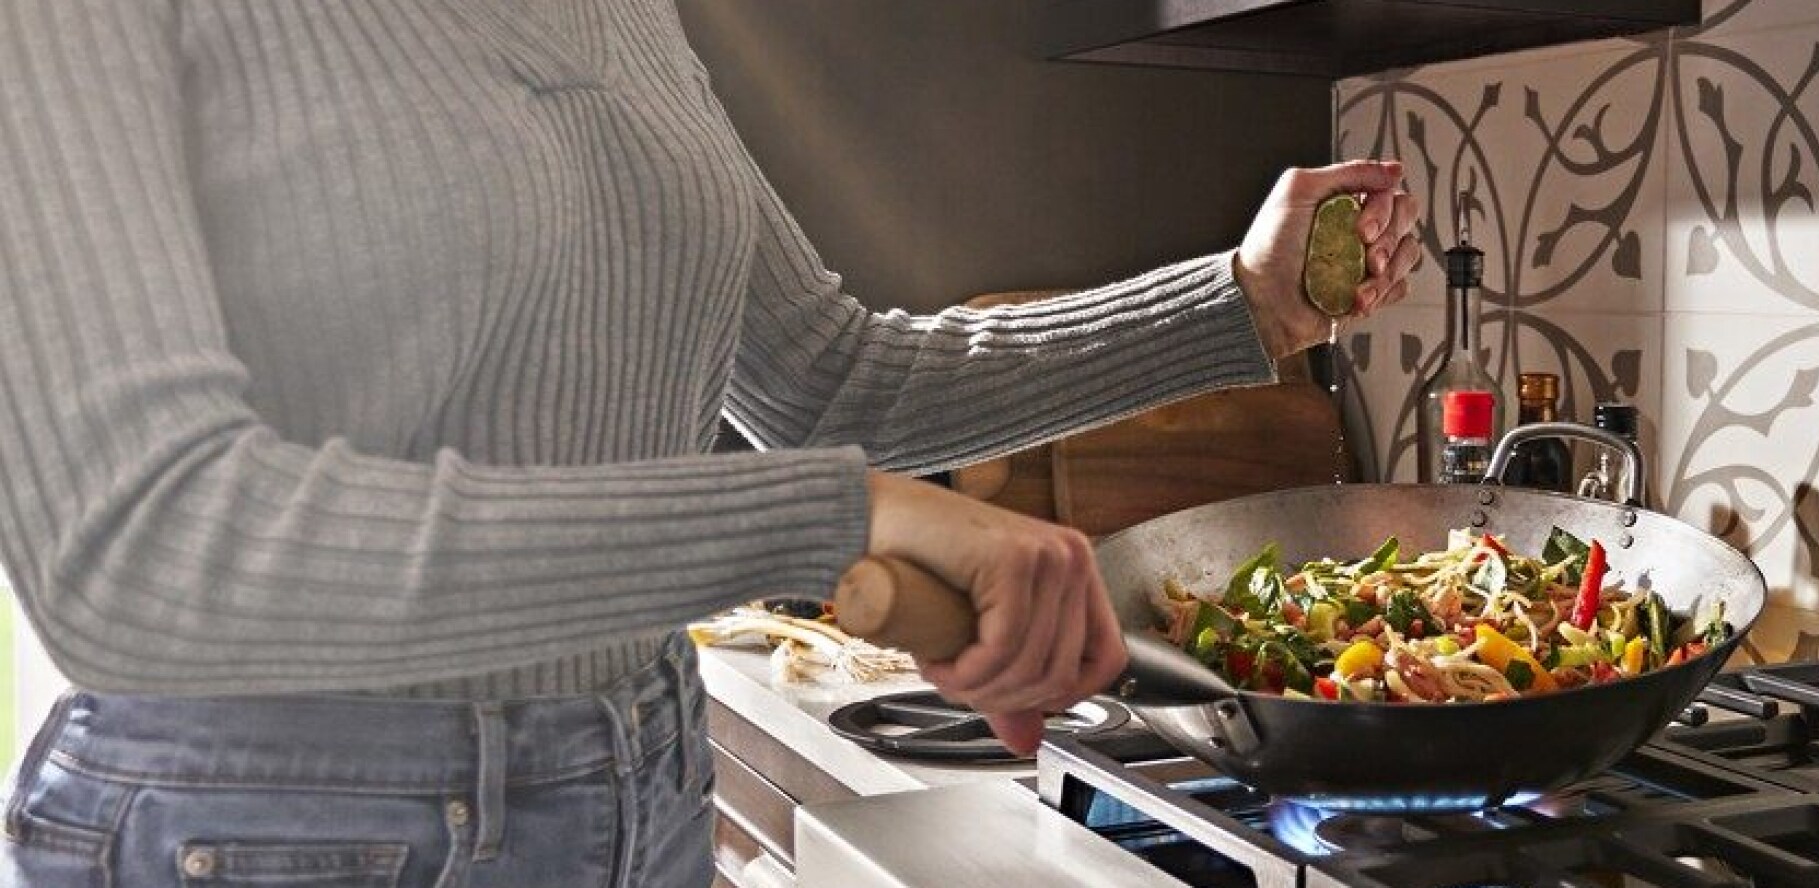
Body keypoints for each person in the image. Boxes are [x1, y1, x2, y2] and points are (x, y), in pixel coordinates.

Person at [0, 1, 1424, 884]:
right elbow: (136, 549)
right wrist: (822, 520)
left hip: (639, 793)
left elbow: (823, 378)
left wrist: (1239, 302)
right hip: (262, 836)